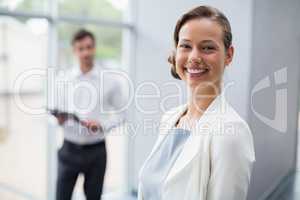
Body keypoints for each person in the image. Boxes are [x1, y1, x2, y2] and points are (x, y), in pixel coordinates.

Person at [138, 5, 256, 200]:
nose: (194, 57)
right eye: (185, 46)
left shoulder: (232, 132)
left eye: (208, 47)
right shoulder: (170, 118)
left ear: (229, 55)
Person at [51, 29, 127, 200]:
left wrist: (102, 125)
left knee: (94, 197)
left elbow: (123, 114)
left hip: (96, 152)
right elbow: (52, 112)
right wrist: (58, 120)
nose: (85, 52)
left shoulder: (110, 80)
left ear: (94, 48)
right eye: (81, 48)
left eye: (89, 47)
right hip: (68, 148)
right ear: (74, 51)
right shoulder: (63, 79)